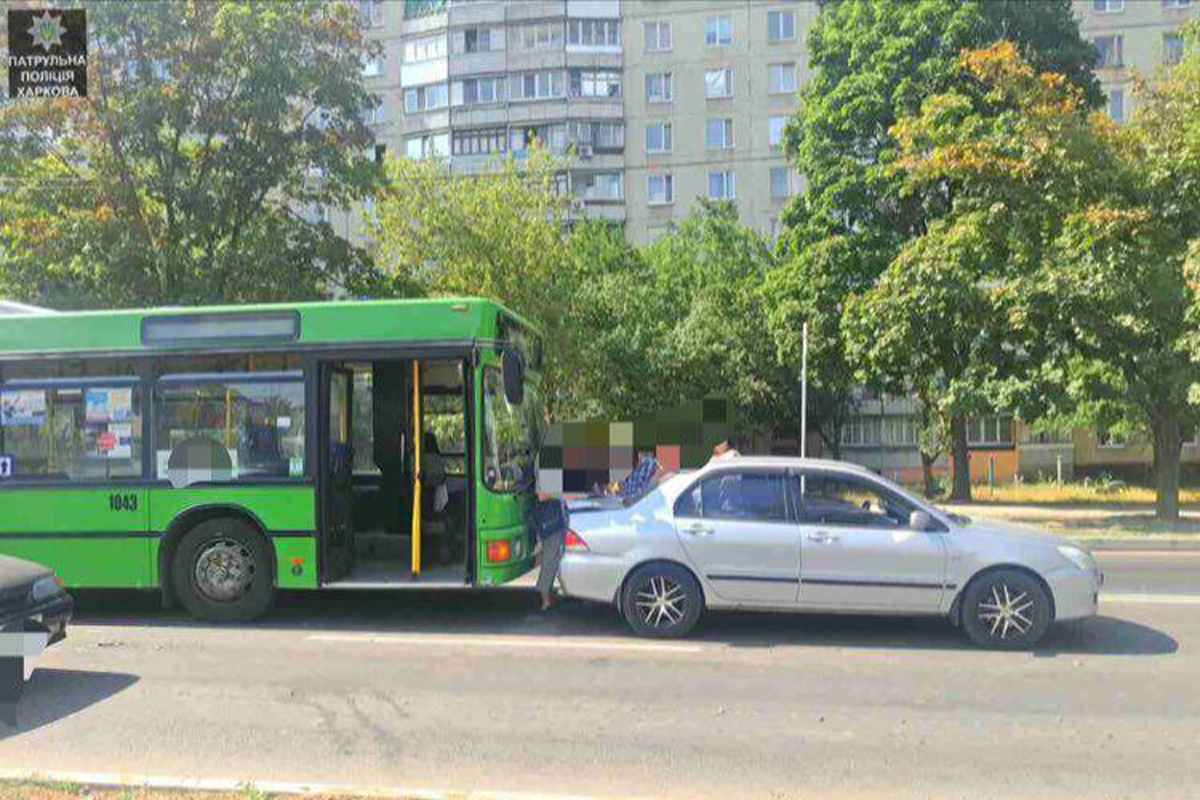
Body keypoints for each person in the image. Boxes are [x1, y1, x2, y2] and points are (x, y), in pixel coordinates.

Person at [530, 492, 570, 611]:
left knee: (554, 560)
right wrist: (559, 493)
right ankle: (545, 599)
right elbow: (541, 496)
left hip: (553, 523)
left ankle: (547, 595)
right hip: (550, 525)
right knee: (550, 561)